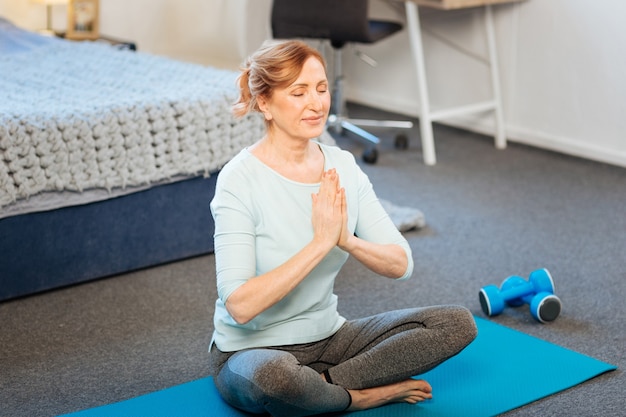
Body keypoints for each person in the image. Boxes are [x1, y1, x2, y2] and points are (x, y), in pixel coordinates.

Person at [208, 40, 477, 417]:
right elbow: (240, 306)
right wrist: (320, 243)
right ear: (265, 103)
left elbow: (401, 264)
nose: (316, 103)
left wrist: (346, 239)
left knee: (454, 324)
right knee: (275, 379)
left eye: (321, 89)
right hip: (251, 351)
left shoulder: (342, 166)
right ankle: (361, 396)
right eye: (298, 92)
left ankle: (325, 389)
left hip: (331, 338)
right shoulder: (239, 179)